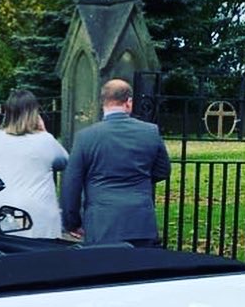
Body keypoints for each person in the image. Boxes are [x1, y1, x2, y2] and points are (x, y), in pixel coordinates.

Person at [60, 78, 171, 246]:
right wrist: (139, 178)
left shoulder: (86, 137)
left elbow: (71, 183)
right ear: (129, 102)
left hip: (101, 222)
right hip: (140, 220)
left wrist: (71, 222)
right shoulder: (150, 131)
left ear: (102, 103)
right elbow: (163, 170)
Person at [0, 89, 69, 238]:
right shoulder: (45, 141)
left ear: (7, 112)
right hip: (36, 219)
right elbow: (65, 161)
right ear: (34, 114)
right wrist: (44, 131)